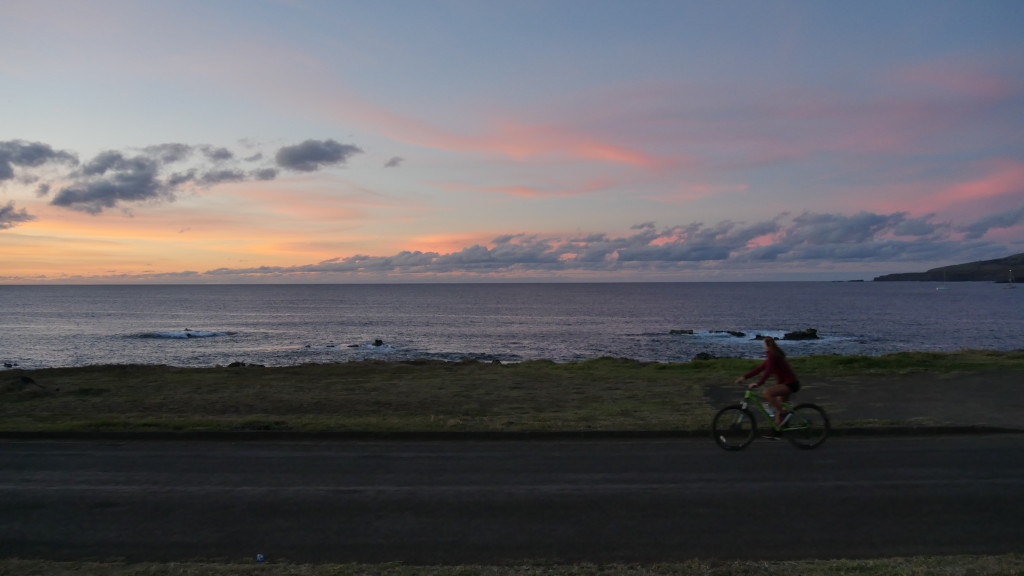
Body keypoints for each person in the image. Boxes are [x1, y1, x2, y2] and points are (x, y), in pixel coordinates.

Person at [733, 336, 801, 427]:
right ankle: (777, 431)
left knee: (767, 393)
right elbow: (759, 369)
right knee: (778, 405)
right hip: (786, 383)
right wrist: (744, 377)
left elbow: (768, 371)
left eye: (763, 344)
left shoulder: (772, 356)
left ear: (767, 345)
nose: (762, 346)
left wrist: (758, 383)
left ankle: (783, 413)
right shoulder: (772, 355)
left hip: (790, 384)